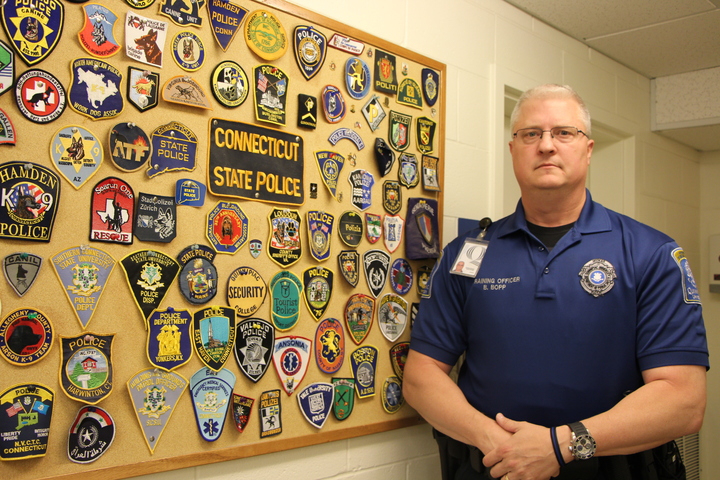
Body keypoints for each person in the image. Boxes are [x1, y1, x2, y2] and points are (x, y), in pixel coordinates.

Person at [403, 84, 708, 480]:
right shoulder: (466, 253)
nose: (546, 145)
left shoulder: (649, 252)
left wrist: (562, 444)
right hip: (493, 467)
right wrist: (498, 443)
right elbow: (421, 377)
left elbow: (684, 400)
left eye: (564, 133)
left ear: (588, 148)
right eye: (531, 134)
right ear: (513, 150)